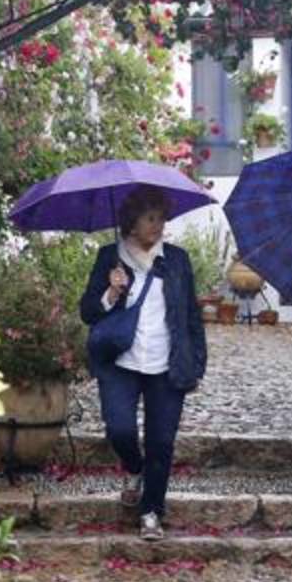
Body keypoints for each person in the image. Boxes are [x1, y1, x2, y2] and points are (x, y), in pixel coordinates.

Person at [79, 186, 207, 541]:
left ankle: (151, 510)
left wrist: (196, 363)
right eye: (150, 218)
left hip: (166, 364)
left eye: (161, 218)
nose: (158, 225)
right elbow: (88, 312)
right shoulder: (110, 258)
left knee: (162, 442)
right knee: (118, 429)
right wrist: (112, 293)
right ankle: (134, 468)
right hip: (120, 362)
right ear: (131, 223)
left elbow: (190, 315)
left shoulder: (176, 259)